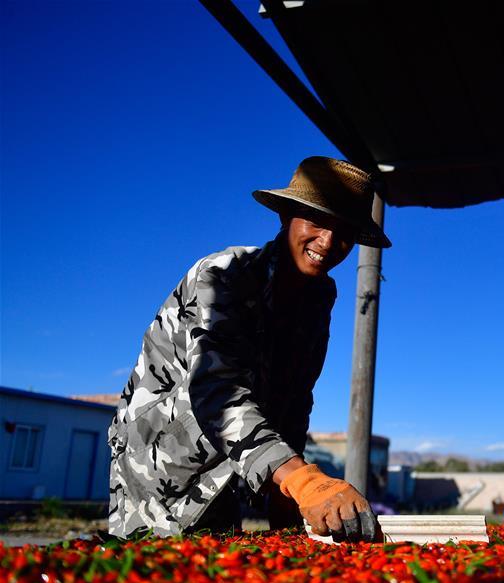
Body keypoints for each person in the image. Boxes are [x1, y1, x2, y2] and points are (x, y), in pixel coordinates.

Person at [106, 156, 390, 541]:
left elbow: (295, 399)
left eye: (343, 232)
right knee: (154, 571)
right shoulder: (225, 274)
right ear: (286, 217)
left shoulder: (320, 297)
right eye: (317, 221)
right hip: (161, 464)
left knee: (220, 573)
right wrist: (302, 479)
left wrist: (286, 496)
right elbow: (217, 394)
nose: (327, 242)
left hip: (231, 468)